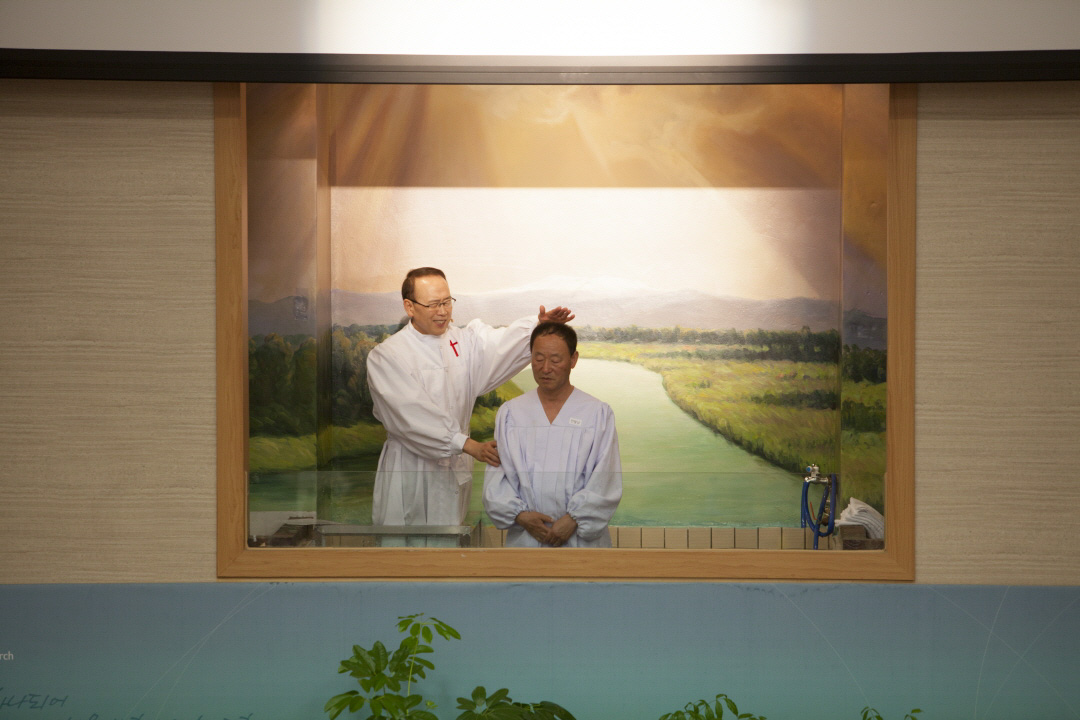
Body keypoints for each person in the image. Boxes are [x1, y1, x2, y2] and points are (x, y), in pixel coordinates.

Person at [366, 267, 574, 530]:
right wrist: (465, 444)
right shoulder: (388, 356)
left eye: (447, 302)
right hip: (410, 468)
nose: (443, 311)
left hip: (453, 467)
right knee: (405, 542)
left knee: (450, 538)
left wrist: (536, 327)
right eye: (433, 304)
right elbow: (409, 415)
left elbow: (498, 346)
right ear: (410, 307)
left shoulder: (464, 342)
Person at [482, 322, 622, 547]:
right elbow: (498, 477)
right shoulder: (511, 413)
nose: (545, 368)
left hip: (580, 542)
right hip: (526, 538)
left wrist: (574, 519)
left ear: (573, 360)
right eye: (538, 359)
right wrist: (521, 516)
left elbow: (606, 477)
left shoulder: (596, 413)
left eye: (555, 360)